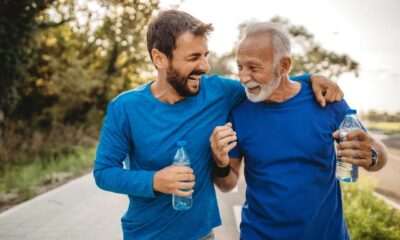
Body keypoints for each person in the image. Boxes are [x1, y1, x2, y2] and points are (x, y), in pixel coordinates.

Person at [93, 10, 344, 240]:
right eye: (193, 57)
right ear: (159, 58)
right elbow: (104, 172)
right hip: (145, 234)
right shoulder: (125, 107)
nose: (204, 66)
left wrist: (310, 78)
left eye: (205, 55)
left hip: (202, 234)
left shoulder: (219, 92)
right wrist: (154, 181)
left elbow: (271, 83)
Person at [210, 22, 388, 240]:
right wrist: (220, 164)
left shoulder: (326, 100)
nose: (244, 78)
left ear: (284, 66)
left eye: (254, 68)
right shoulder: (239, 112)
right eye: (240, 67)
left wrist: (372, 155)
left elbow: (378, 154)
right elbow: (227, 184)